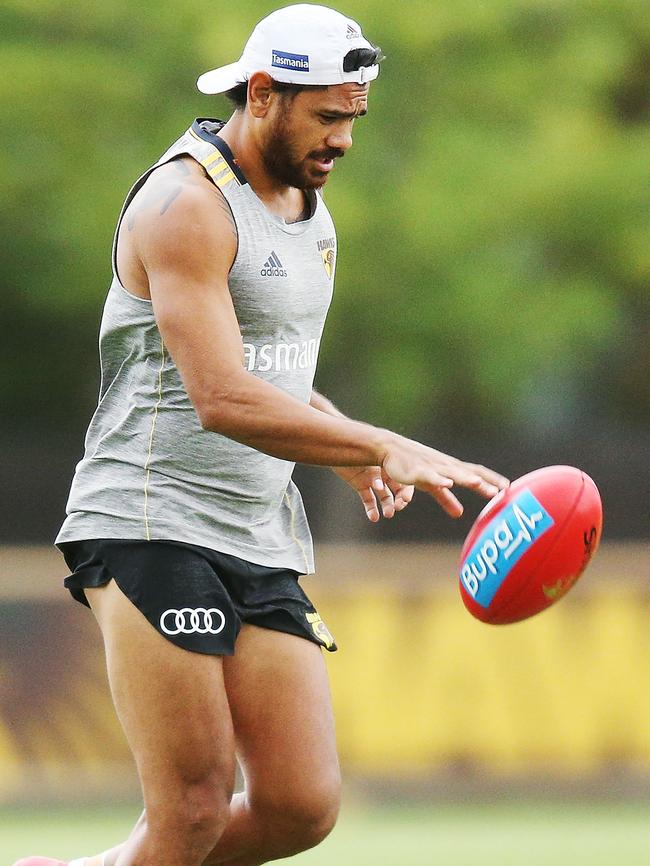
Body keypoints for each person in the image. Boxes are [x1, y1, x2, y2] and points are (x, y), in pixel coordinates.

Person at [16, 5, 508, 866]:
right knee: (194, 809)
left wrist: (342, 443)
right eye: (328, 115)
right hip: (150, 519)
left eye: (355, 116)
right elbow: (220, 398)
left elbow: (267, 376)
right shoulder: (185, 204)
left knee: (299, 806)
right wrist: (373, 444)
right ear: (264, 93)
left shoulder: (307, 205)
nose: (345, 139)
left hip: (255, 529)